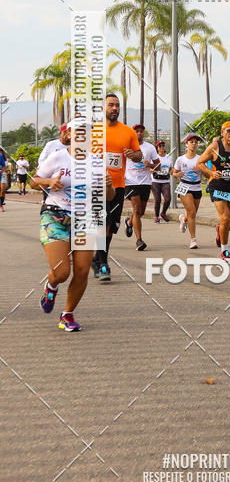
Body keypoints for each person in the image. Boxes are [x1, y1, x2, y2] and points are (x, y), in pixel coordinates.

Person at [32, 136, 115, 330]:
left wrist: (109, 185)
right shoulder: (57, 157)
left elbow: (109, 196)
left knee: (82, 271)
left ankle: (67, 315)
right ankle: (51, 285)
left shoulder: (96, 162)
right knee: (61, 272)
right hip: (55, 216)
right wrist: (50, 181)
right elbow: (34, 182)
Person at [92, 93, 142, 281]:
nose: (115, 108)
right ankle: (103, 265)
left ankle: (97, 259)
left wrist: (133, 155)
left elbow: (138, 155)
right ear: (103, 108)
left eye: (117, 105)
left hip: (118, 186)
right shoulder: (94, 131)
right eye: (111, 105)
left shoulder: (128, 131)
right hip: (97, 186)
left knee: (112, 226)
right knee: (102, 224)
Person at [197, 121, 230, 260]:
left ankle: (220, 230)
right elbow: (199, 163)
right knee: (225, 218)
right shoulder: (215, 147)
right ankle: (225, 250)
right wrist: (210, 173)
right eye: (228, 131)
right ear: (222, 133)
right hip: (218, 187)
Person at [124, 124, 160, 251]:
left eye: (141, 131)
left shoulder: (150, 147)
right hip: (130, 182)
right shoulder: (126, 147)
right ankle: (139, 240)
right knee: (137, 210)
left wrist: (149, 164)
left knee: (141, 212)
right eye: (136, 131)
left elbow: (158, 166)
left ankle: (129, 222)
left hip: (145, 182)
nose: (139, 133)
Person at [173, 133, 204, 249]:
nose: (194, 144)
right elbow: (174, 172)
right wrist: (177, 174)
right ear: (187, 144)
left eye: (196, 142)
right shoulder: (181, 159)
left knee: (192, 213)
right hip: (184, 187)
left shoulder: (200, 159)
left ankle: (183, 218)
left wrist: (201, 168)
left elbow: (207, 172)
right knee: (192, 213)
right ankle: (193, 240)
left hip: (197, 186)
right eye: (191, 142)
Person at [37, 124, 71, 204]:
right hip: (52, 179)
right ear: (60, 133)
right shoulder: (51, 144)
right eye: (64, 132)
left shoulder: (74, 146)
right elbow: (42, 160)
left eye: (68, 132)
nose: (66, 135)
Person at [151, 140, 173, 222]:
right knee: (157, 200)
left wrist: (173, 172)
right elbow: (149, 169)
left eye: (163, 145)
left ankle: (163, 213)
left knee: (168, 199)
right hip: (155, 181)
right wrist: (156, 169)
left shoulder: (168, 157)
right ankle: (156, 216)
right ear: (157, 148)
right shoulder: (154, 157)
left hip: (165, 181)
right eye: (160, 146)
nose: (162, 147)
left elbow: (171, 168)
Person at [0, 147, 8, 211]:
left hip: (2, 174)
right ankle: (1, 205)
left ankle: (1, 203)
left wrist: (2, 170)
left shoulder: (1, 157)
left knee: (3, 190)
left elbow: (4, 166)